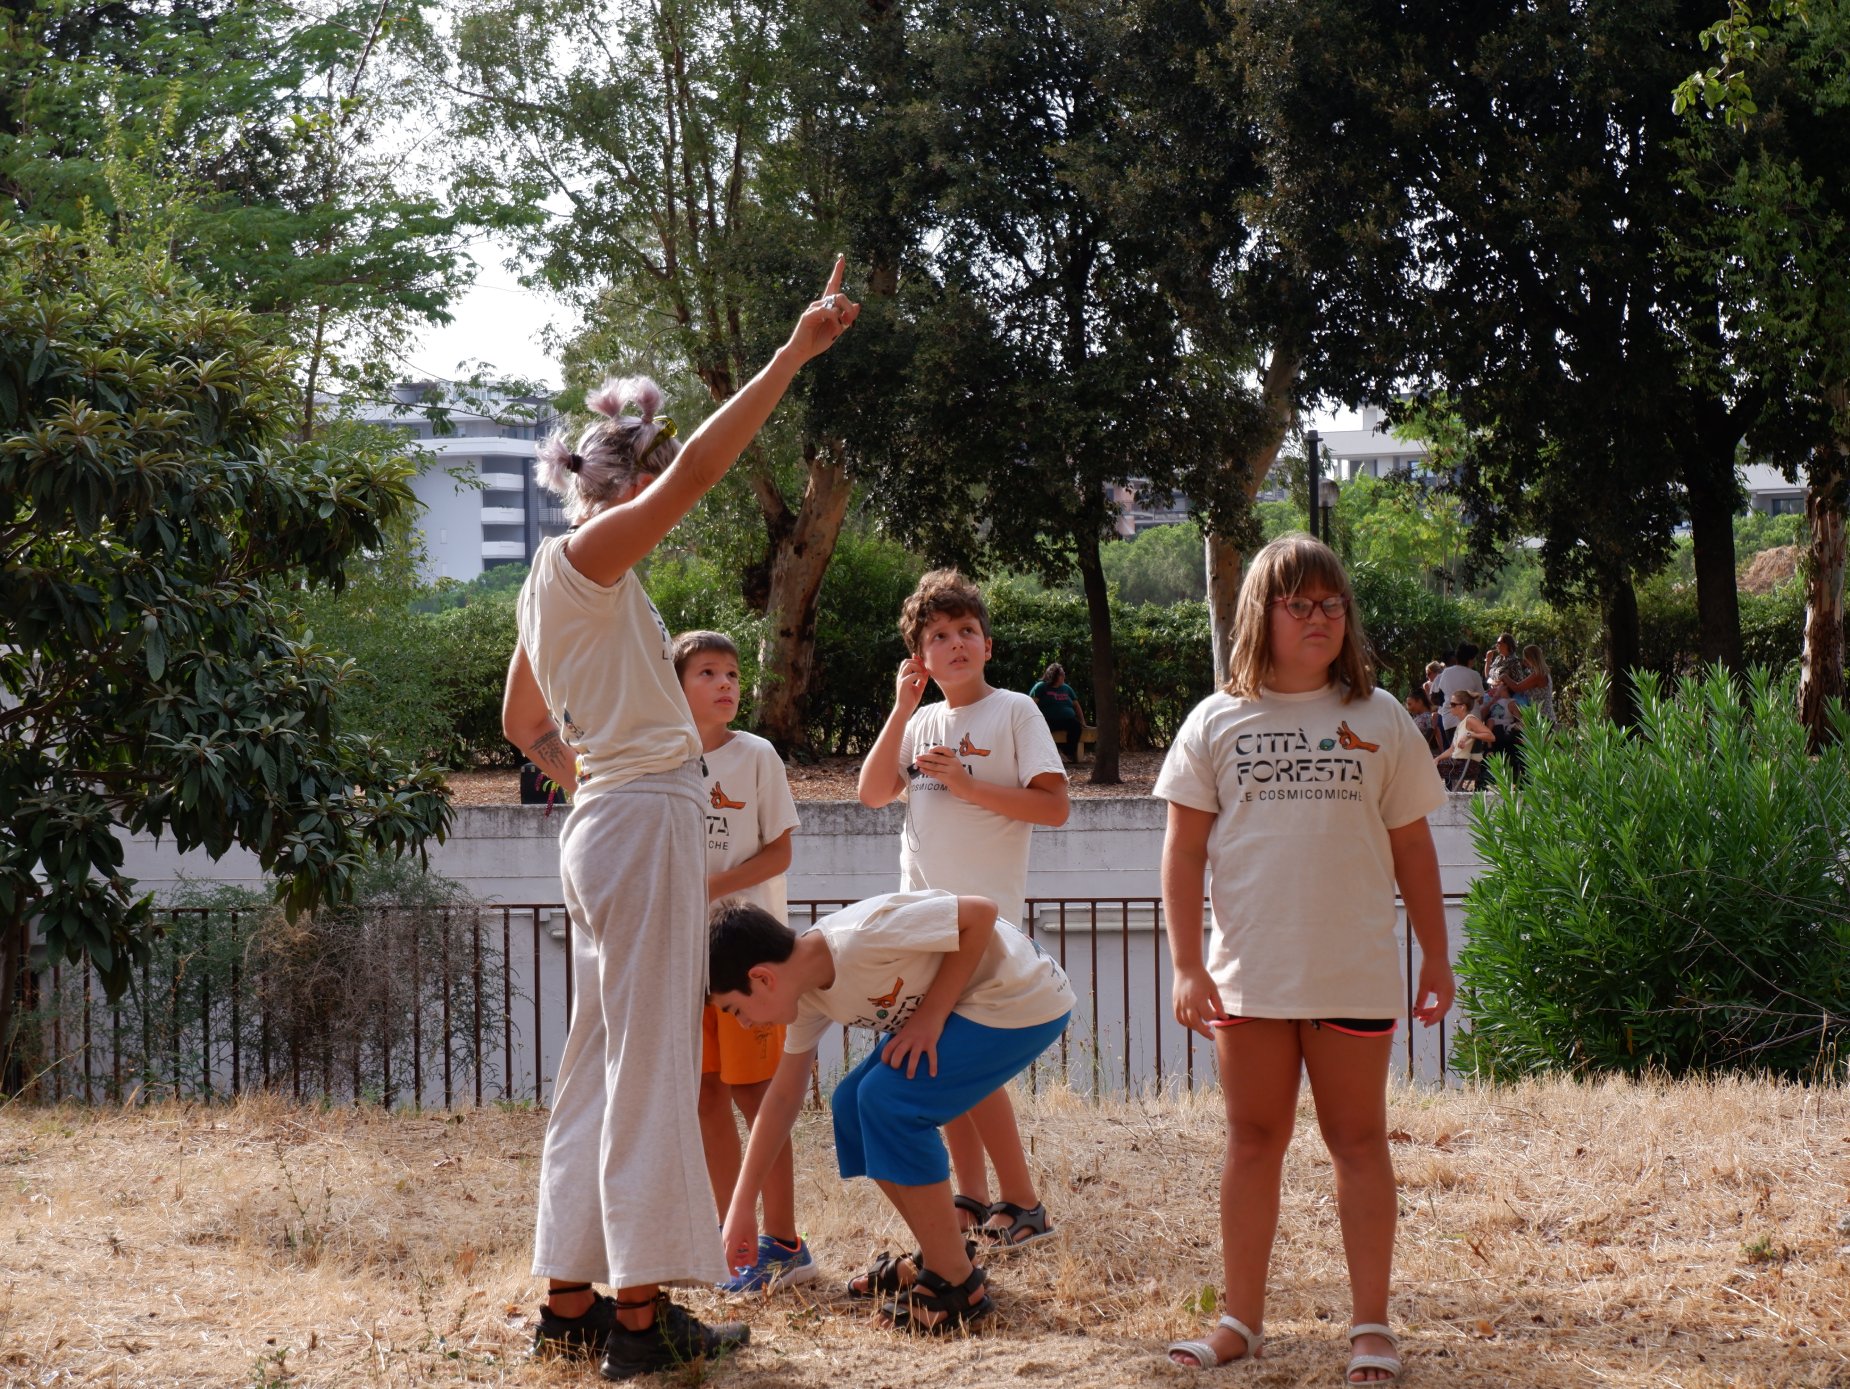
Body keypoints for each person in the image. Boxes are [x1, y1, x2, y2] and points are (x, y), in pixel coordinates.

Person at [501, 259, 856, 1380]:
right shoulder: (591, 560)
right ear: (616, 484)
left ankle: (570, 1305)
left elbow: (519, 720)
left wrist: (598, 775)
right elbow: (703, 467)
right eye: (646, 481)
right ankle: (640, 1326)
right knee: (650, 1070)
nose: (660, 497)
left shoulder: (546, 584)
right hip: (634, 820)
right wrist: (791, 354)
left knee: (601, 1065)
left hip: (605, 819)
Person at [1157, 533, 1452, 1384]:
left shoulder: (1380, 716)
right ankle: (1240, 1322)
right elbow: (1180, 856)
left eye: (1332, 603)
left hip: (1353, 971)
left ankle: (1370, 1326)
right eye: (1300, 603)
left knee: (1359, 1141)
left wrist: (1436, 953)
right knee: (1252, 1141)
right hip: (1248, 974)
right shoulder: (1215, 720)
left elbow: (1416, 849)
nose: (1320, 617)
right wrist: (1186, 964)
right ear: (1264, 614)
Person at [709, 890, 1073, 1334]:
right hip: (974, 1004)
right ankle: (942, 1252)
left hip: (1020, 997)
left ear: (762, 978)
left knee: (885, 1100)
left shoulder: (860, 939)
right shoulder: (806, 995)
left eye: (736, 1010)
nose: (744, 1024)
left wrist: (931, 1016)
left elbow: (981, 913)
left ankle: (956, 1284)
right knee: (850, 1103)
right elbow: (782, 1100)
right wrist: (742, 1208)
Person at [855, 570, 1070, 1250]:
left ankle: (1024, 1201)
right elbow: (870, 792)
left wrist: (966, 783)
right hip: (926, 922)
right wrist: (899, 708)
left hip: (986, 924)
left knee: (964, 1064)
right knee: (938, 1060)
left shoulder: (1014, 712)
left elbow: (1054, 805)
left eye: (966, 632)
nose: (954, 645)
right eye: (938, 636)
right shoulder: (919, 721)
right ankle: (972, 1195)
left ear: (987, 644)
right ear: (919, 655)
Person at [672, 630, 814, 1294]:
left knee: (757, 1093)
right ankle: (731, 1240)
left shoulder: (756, 755)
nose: (726, 683)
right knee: (704, 1093)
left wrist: (710, 888)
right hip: (681, 957)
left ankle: (782, 1242)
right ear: (676, 687)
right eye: (708, 672)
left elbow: (779, 852)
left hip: (745, 955)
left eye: (732, 673)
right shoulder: (662, 761)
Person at [1027, 662, 1086, 762]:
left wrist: (1082, 721)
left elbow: (1076, 706)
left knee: (1076, 726)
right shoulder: (1041, 687)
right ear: (1054, 676)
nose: (1064, 676)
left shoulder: (1067, 688)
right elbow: (1031, 704)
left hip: (1067, 720)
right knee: (1042, 731)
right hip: (1047, 720)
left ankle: (1066, 754)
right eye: (1061, 674)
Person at [1436, 691, 1494, 790]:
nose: (1450, 707)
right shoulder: (1461, 724)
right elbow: (1451, 749)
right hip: (1459, 763)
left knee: (1425, 766)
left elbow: (1491, 736)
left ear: (1462, 707)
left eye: (1453, 704)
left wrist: (1471, 734)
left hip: (1465, 764)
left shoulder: (1470, 720)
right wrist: (1437, 759)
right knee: (1429, 762)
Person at [1429, 643, 1484, 736]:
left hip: (1450, 720)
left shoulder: (1445, 673)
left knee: (1455, 750)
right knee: (1473, 750)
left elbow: (1434, 697)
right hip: (1472, 720)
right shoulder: (1474, 675)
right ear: (1470, 660)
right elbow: (1481, 700)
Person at [1505, 643, 1555, 723]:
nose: (1525, 661)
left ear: (1530, 658)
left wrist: (1504, 677)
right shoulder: (1541, 672)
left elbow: (1517, 687)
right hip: (1541, 717)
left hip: (1542, 719)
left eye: (1525, 659)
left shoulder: (1538, 675)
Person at [1403, 688, 1445, 756]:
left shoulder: (1430, 717)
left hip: (1426, 756)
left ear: (1419, 702)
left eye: (1410, 704)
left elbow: (1432, 737)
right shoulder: (1419, 718)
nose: (1408, 707)